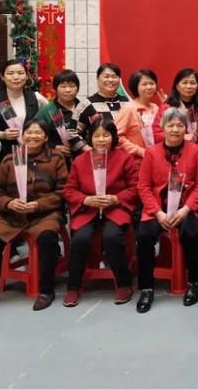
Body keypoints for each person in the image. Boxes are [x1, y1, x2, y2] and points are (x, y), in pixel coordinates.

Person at [0, 119, 67, 312]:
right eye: (28, 132)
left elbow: (63, 191)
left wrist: (38, 205)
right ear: (22, 135)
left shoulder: (56, 158)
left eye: (37, 133)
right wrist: (9, 203)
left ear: (45, 137)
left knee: (47, 238)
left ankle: (46, 290)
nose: (32, 136)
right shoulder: (10, 159)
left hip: (44, 213)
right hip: (13, 214)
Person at [136, 108, 198, 313]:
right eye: (171, 125)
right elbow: (143, 186)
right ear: (162, 127)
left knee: (190, 233)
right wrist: (157, 212)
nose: (175, 129)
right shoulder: (151, 152)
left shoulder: (195, 150)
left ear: (186, 128)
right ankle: (147, 287)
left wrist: (186, 210)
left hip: (185, 208)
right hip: (156, 209)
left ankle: (194, 281)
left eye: (179, 125)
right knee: (145, 235)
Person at [62, 119, 138, 307]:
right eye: (97, 136)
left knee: (112, 236)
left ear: (113, 137)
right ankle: (73, 286)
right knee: (81, 239)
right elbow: (69, 190)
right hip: (88, 210)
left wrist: (116, 198)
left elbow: (135, 188)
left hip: (115, 209)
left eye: (106, 135)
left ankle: (123, 283)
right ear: (90, 138)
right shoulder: (81, 160)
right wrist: (85, 199)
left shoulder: (124, 158)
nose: (101, 140)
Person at [0, 60, 49, 169]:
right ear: (2, 77)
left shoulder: (37, 98)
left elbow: (51, 122)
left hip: (33, 157)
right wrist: (2, 134)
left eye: (20, 73)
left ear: (27, 76)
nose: (16, 77)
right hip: (3, 159)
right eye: (10, 73)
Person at [69, 63, 129, 154]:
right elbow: (71, 132)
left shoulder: (127, 103)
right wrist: (89, 150)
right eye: (106, 76)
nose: (110, 80)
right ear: (97, 78)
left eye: (114, 76)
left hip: (124, 157)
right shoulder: (87, 104)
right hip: (97, 158)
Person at [115, 69, 160, 168]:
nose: (149, 87)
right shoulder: (128, 108)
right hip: (135, 163)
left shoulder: (156, 108)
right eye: (144, 84)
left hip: (156, 161)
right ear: (136, 87)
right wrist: (140, 151)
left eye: (151, 83)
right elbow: (117, 137)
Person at [35, 69, 80, 163]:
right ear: (55, 89)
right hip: (55, 160)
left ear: (77, 88)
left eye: (72, 86)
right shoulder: (48, 110)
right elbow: (34, 135)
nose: (68, 90)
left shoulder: (84, 107)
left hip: (83, 160)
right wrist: (54, 147)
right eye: (63, 86)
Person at [153, 67, 198, 143]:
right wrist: (181, 137)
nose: (189, 86)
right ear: (177, 86)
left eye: (193, 83)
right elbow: (157, 135)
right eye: (184, 83)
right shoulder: (167, 107)